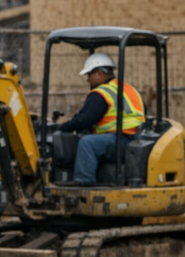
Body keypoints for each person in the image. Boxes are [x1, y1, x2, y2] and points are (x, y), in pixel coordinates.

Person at [58, 53, 145, 185]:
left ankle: (83, 183)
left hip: (121, 141)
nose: (88, 80)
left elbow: (84, 120)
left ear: (99, 74)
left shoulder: (101, 93)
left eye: (89, 75)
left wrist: (62, 127)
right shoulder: (129, 89)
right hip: (137, 139)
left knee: (88, 143)